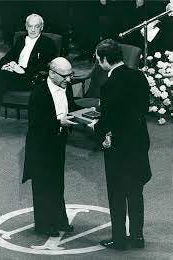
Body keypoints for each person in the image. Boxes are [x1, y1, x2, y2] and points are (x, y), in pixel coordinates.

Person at [92, 39, 152, 250]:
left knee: (117, 194)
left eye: (99, 60)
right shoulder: (138, 75)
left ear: (105, 59)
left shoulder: (109, 84)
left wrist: (96, 128)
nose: (99, 64)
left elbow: (109, 118)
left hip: (119, 147)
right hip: (138, 141)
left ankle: (119, 240)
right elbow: (144, 105)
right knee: (135, 192)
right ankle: (137, 237)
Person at [22, 57, 77, 237]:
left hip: (58, 141)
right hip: (41, 145)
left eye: (70, 75)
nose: (69, 80)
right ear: (52, 74)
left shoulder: (65, 87)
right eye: (65, 76)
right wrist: (58, 122)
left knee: (57, 183)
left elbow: (72, 107)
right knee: (42, 185)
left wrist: (87, 114)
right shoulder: (39, 92)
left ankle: (60, 220)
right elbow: (36, 123)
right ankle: (43, 225)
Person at [0, 13, 57, 138]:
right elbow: (7, 57)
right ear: (26, 26)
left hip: (30, 79)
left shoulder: (48, 43)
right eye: (30, 26)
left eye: (36, 26)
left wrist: (23, 70)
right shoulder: (21, 40)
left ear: (41, 27)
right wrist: (7, 65)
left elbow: (46, 67)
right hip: (12, 76)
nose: (32, 29)